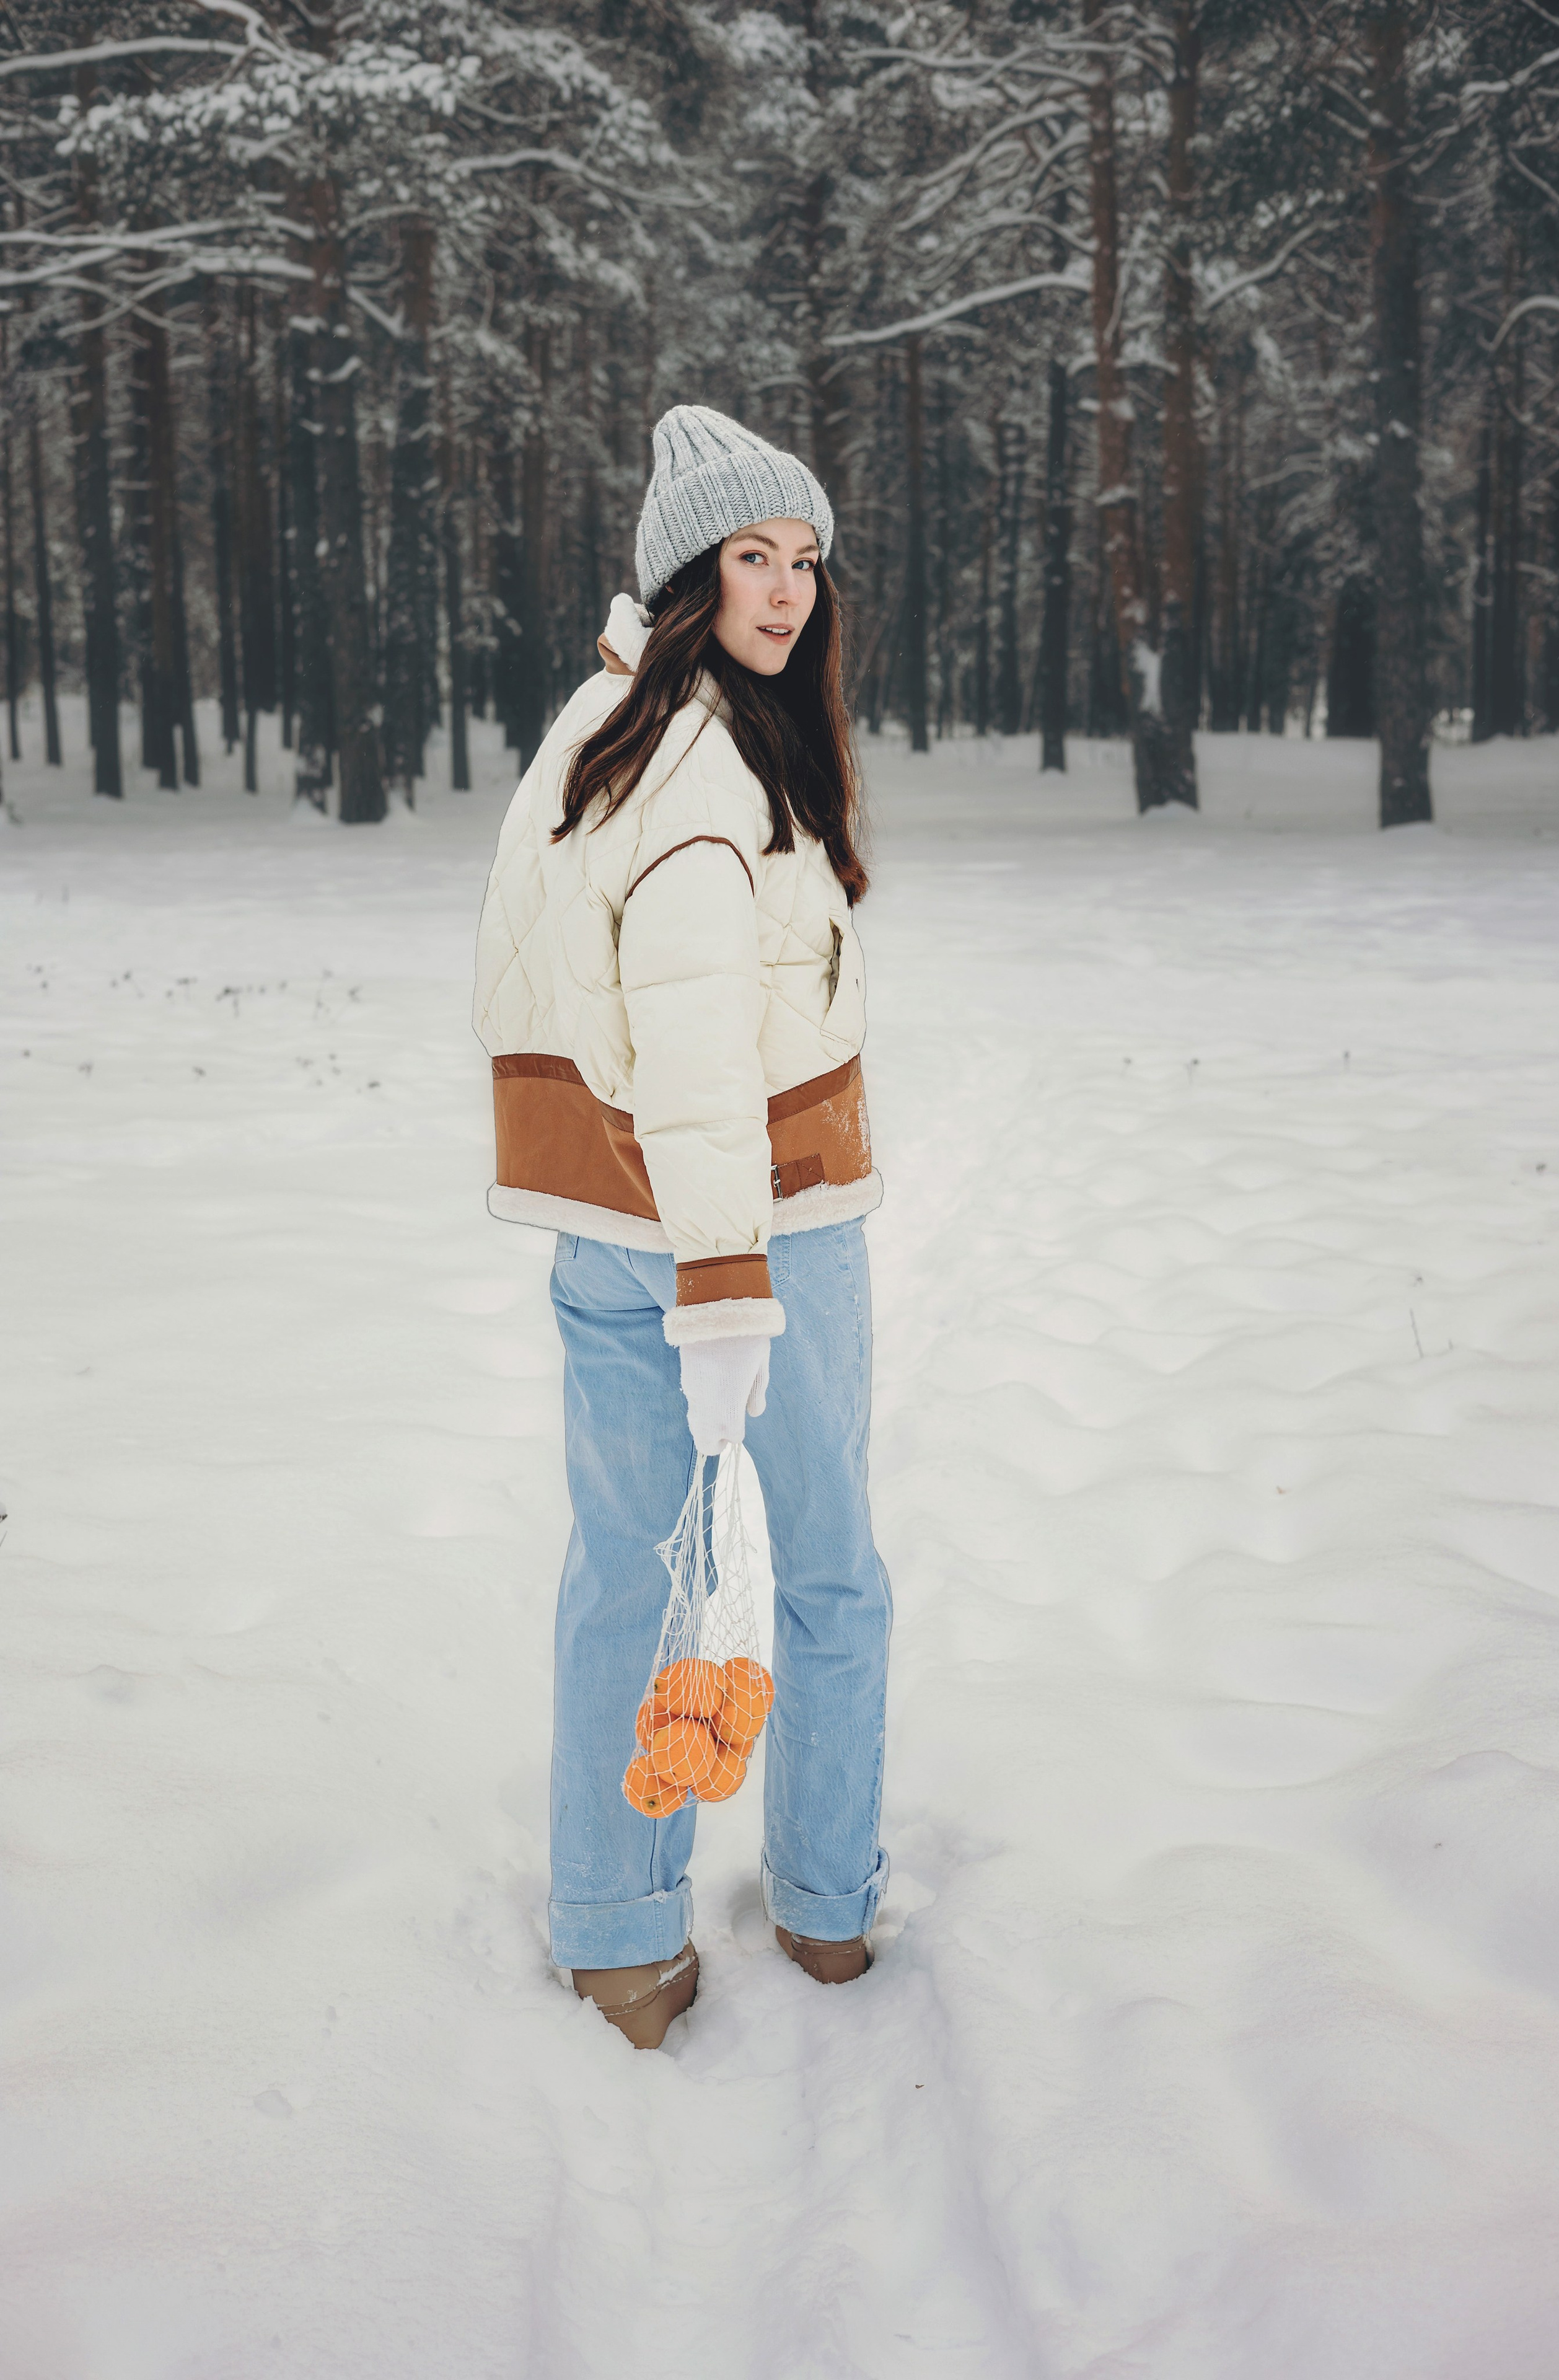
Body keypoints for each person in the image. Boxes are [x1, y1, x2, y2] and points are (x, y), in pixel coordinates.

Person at [473, 406, 892, 2048]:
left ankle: (620, 1935)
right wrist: (729, 1297)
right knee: (833, 1582)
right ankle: (827, 1907)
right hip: (749, 1237)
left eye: (804, 562)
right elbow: (703, 1060)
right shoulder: (706, 762)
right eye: (751, 559)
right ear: (685, 576)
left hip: (614, 1231)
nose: (787, 593)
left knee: (628, 1584)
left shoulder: (609, 723)